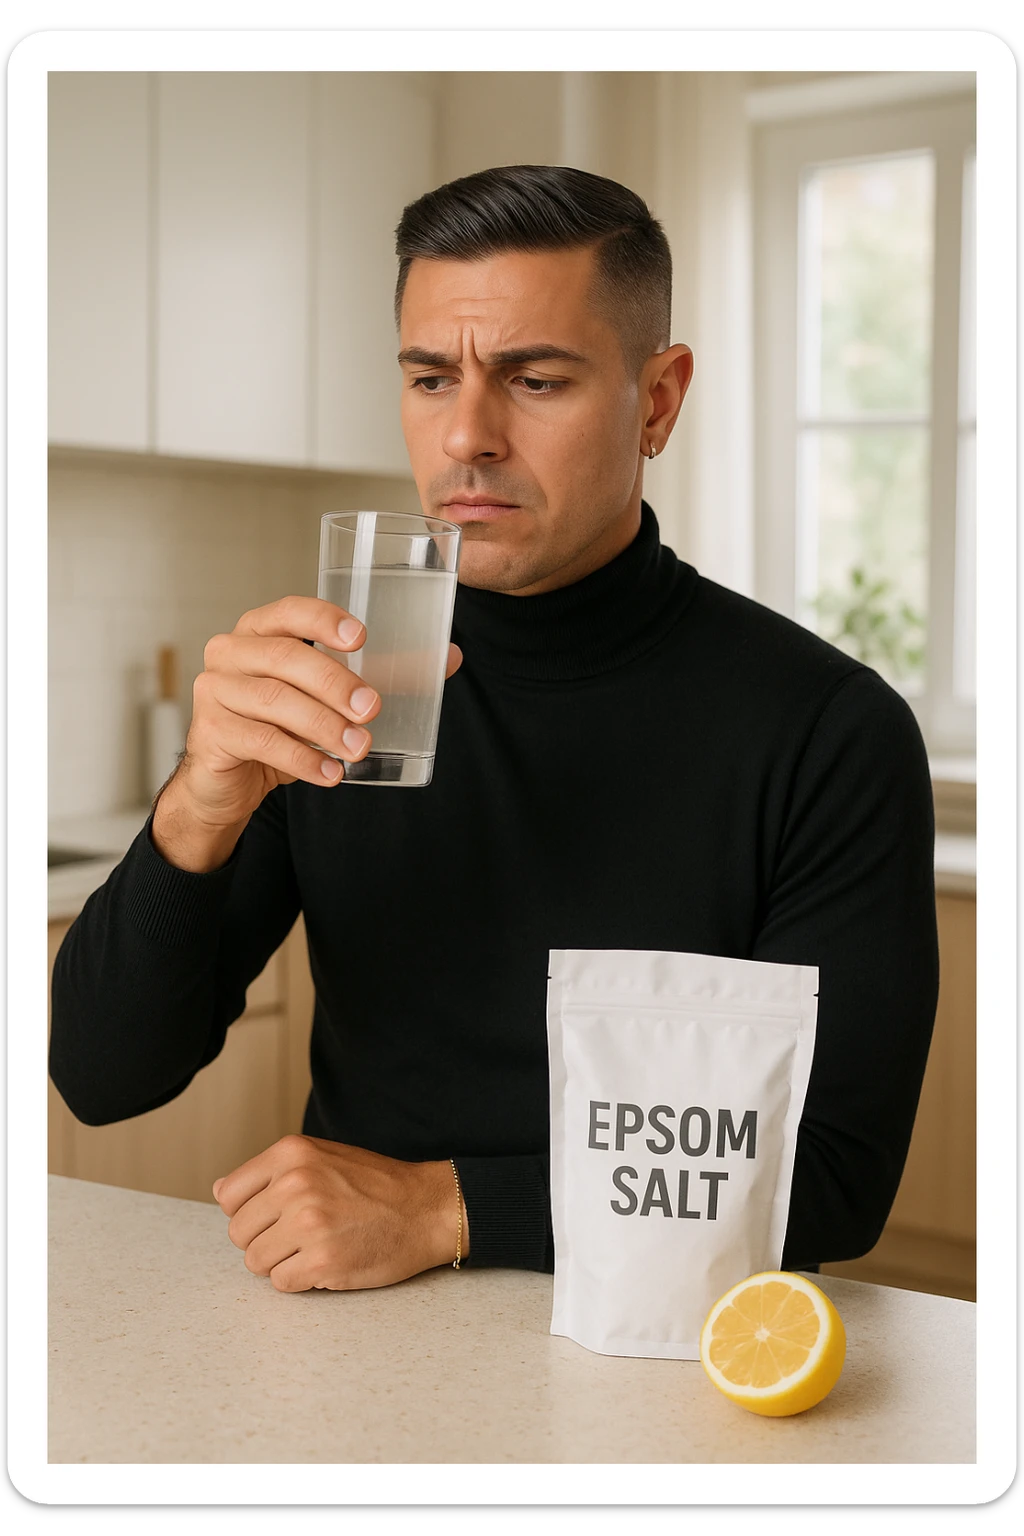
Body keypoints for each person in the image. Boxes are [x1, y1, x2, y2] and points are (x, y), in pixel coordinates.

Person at [49, 165, 939, 1293]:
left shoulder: (828, 730)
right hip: (362, 1333)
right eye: (430, 377)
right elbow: (101, 1077)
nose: (466, 433)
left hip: (674, 1348)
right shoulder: (340, 689)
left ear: (656, 399)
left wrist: (446, 1204)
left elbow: (838, 1175)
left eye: (534, 378)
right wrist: (200, 803)